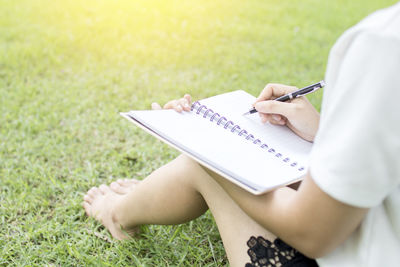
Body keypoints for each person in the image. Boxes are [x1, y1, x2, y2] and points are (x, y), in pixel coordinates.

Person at [83, 2, 400, 266]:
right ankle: (140, 200)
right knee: (209, 161)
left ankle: (118, 213)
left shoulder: (384, 44)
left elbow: (313, 232)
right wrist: (322, 133)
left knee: (204, 164)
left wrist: (219, 156)